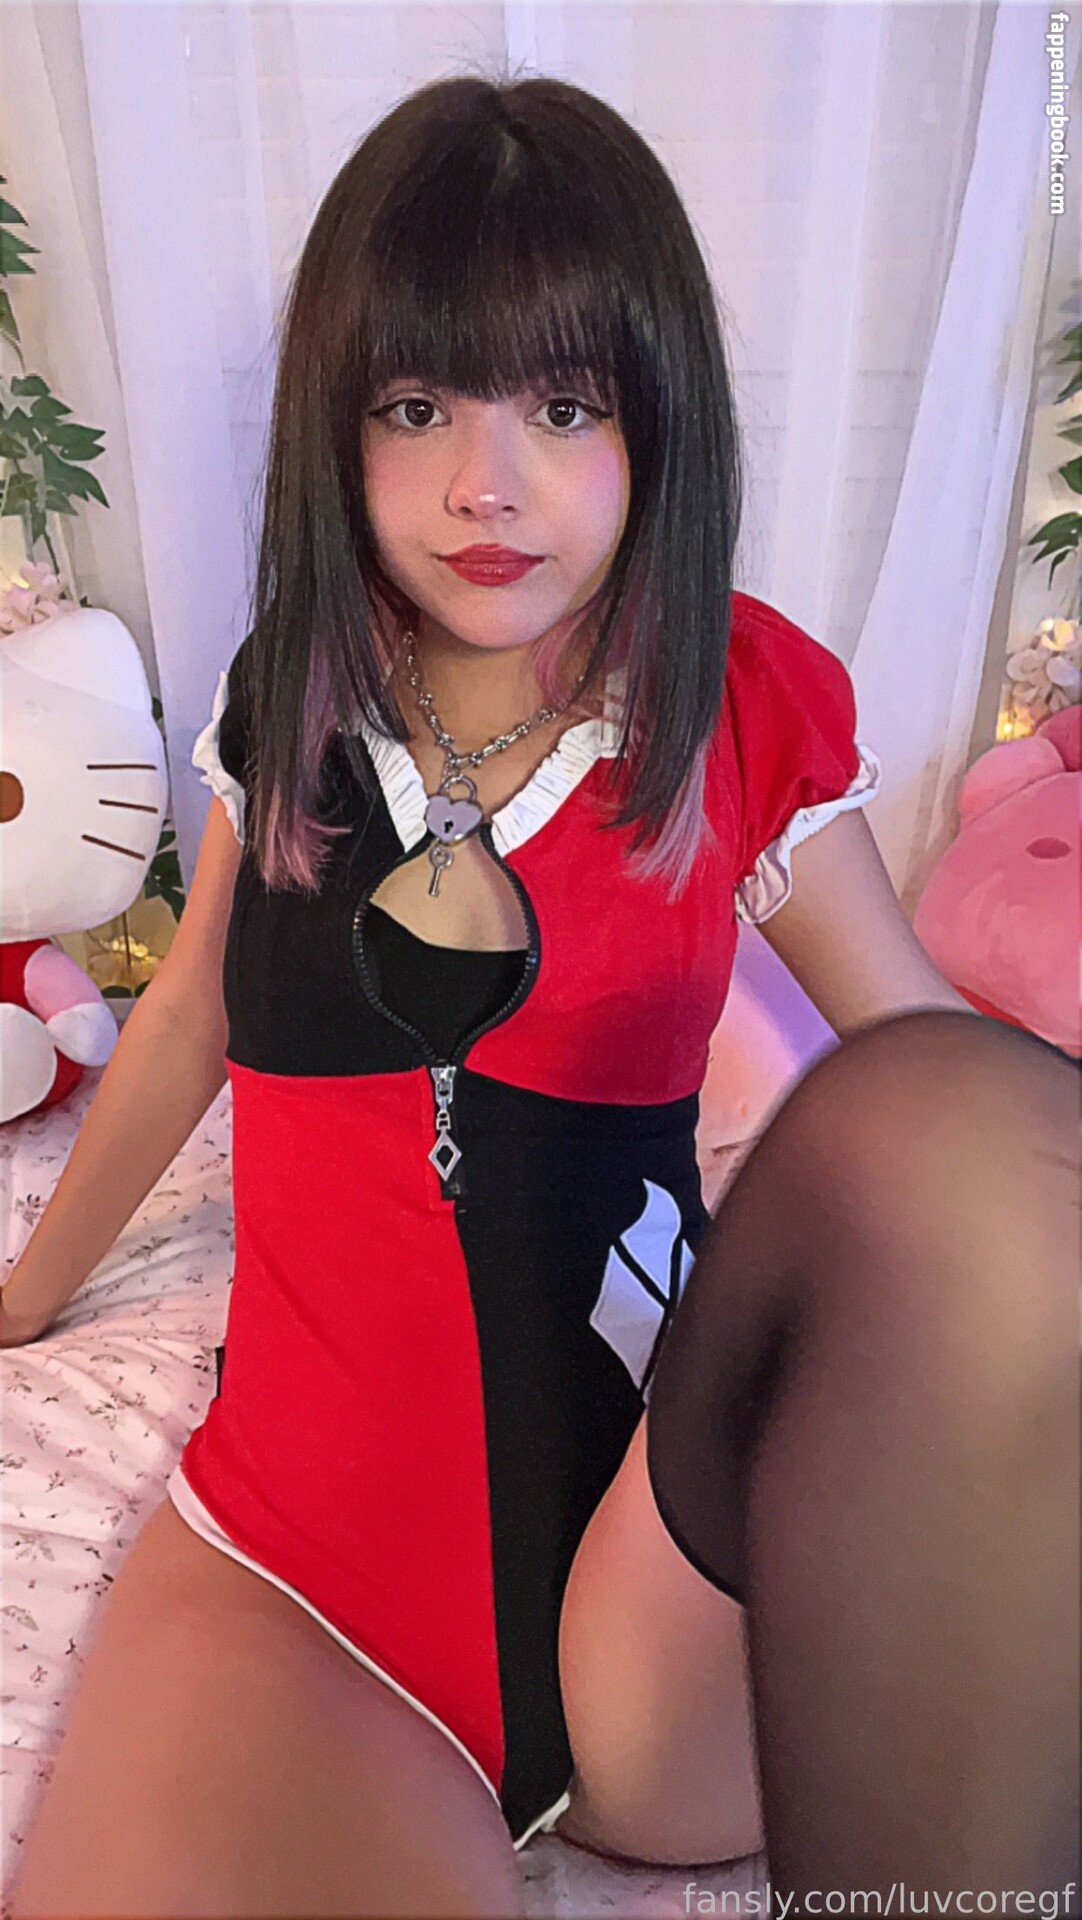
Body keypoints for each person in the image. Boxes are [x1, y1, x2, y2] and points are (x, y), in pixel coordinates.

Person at [6, 70, 1078, 1920]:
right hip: (300, 1567)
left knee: (957, 1134)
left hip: (659, 1549)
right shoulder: (293, 686)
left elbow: (920, 1062)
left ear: (656, 430)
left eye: (564, 408)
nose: (483, 487)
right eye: (416, 405)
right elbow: (183, 1021)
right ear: (337, 429)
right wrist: (24, 1299)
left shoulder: (734, 698)